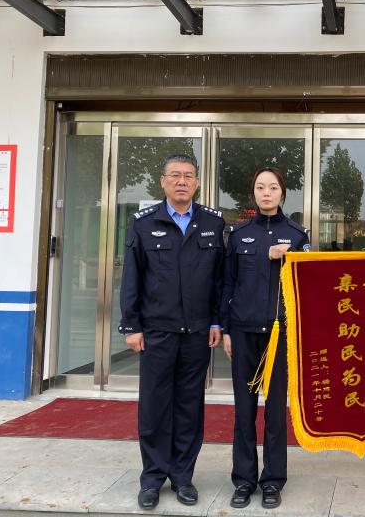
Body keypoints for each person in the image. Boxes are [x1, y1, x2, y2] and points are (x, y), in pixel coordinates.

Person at [119, 154, 225, 510]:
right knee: (154, 406)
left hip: (197, 333)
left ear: (197, 183)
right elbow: (132, 277)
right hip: (157, 332)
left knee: (189, 406)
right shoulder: (144, 223)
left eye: (188, 176)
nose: (182, 181)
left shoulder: (212, 222)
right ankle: (152, 478)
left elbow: (219, 280)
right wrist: (132, 325)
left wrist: (216, 321)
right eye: (175, 175)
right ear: (163, 181)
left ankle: (182, 476)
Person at [220, 167, 310, 510]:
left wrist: (292, 257)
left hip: (280, 335)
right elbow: (227, 284)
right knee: (244, 410)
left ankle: (272, 480)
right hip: (243, 333)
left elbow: (310, 282)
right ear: (254, 193)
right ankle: (244, 480)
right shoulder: (239, 234)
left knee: (274, 412)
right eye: (260, 187)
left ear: (283, 193)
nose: (266, 193)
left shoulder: (297, 235)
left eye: (273, 187)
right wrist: (226, 330)